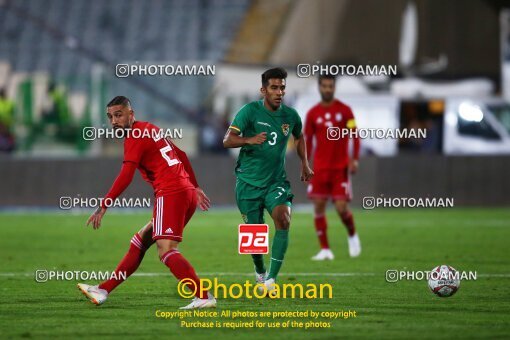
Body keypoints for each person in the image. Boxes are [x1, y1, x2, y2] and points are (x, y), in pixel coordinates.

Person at [77, 96, 215, 309]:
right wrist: (195, 187)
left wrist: (104, 204)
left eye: (119, 115)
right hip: (184, 191)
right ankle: (103, 290)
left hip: (171, 192)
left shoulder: (134, 137)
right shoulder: (149, 128)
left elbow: (126, 175)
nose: (114, 121)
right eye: (110, 117)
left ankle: (203, 296)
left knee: (166, 250)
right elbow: (181, 154)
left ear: (131, 114)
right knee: (140, 241)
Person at [223, 67, 313, 294]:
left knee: (283, 219)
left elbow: (299, 136)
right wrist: (249, 139)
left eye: (282, 87)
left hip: (276, 182)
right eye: (274, 87)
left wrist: (304, 162)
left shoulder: (291, 116)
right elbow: (227, 140)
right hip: (248, 183)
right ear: (263, 90)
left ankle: (271, 280)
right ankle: (260, 270)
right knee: (255, 237)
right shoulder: (249, 111)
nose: (279, 92)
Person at [304, 74, 361, 260]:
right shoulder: (312, 113)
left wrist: (355, 159)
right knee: (318, 206)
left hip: (340, 169)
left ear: (334, 88)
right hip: (320, 169)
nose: (328, 89)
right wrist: (305, 163)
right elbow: (308, 141)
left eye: (331, 86)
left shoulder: (345, 111)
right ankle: (325, 249)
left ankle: (352, 235)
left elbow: (355, 136)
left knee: (341, 208)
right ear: (320, 88)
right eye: (325, 86)